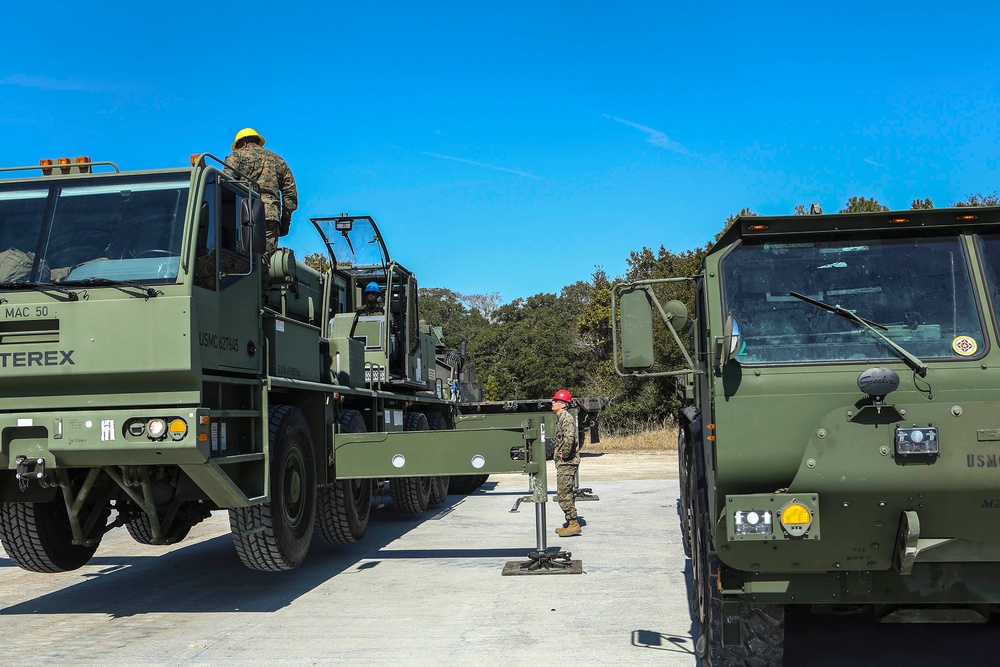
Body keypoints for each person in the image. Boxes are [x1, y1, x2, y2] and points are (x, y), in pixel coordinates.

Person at [224, 128, 298, 279]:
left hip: (243, 216)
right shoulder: (278, 160)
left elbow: (225, 184)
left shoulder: (236, 157)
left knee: (238, 259)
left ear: (243, 143)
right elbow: (290, 194)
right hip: (269, 217)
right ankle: (261, 297)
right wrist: (285, 222)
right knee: (263, 262)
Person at [551, 389, 582, 537]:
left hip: (567, 463)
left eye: (555, 401)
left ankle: (573, 523)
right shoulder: (562, 418)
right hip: (565, 462)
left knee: (563, 493)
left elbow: (569, 438)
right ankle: (570, 522)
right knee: (565, 492)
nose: (552, 403)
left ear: (563, 404)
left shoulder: (567, 418)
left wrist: (565, 454)